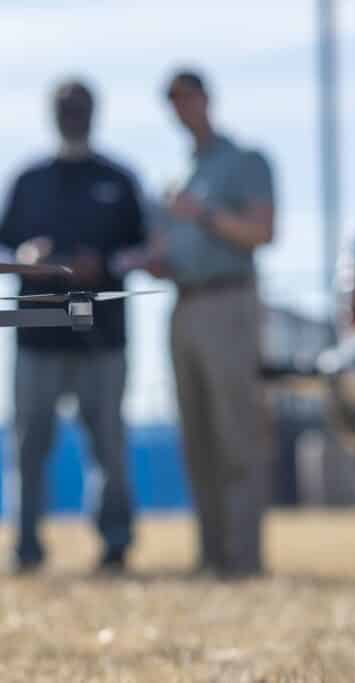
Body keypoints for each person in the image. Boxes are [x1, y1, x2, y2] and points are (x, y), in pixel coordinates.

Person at [115, 68, 276, 578]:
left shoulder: (244, 161)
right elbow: (170, 248)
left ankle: (245, 560)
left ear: (207, 98)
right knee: (198, 438)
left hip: (229, 304)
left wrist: (201, 214)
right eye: (173, 102)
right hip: (182, 305)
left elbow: (261, 231)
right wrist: (148, 260)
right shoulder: (182, 174)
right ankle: (212, 557)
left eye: (188, 98)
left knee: (237, 435)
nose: (182, 109)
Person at [0, 79, 147, 574]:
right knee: (28, 445)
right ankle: (25, 547)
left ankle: (115, 544)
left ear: (94, 113)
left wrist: (103, 264)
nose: (72, 114)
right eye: (64, 107)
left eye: (79, 107)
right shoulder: (28, 180)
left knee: (109, 444)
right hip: (37, 338)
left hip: (103, 339)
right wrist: (25, 260)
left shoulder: (119, 179)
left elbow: (145, 249)